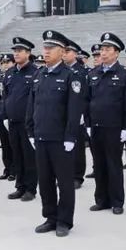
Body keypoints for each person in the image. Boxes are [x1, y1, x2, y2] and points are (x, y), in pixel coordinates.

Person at [26, 31, 86, 237]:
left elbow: (74, 110)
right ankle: (50, 217)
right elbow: (31, 105)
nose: (46, 52)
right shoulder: (39, 74)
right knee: (45, 181)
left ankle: (64, 221)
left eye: (51, 48)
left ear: (62, 52)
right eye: (45, 48)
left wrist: (70, 137)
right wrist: (30, 130)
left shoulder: (71, 76)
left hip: (61, 140)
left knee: (65, 182)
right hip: (41, 136)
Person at [86, 33, 126, 215]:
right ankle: (101, 200)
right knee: (98, 164)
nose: (103, 53)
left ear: (116, 53)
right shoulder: (93, 74)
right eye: (102, 49)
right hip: (96, 127)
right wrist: (88, 123)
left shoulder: (124, 75)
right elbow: (87, 101)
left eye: (107, 49)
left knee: (114, 165)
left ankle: (117, 201)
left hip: (114, 128)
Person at [2, 37, 39, 202]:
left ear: (28, 53)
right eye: (15, 51)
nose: (16, 54)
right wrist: (5, 115)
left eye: (20, 51)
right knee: (17, 155)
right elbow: (5, 96)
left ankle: (30, 188)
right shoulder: (10, 73)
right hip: (12, 121)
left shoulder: (35, 72)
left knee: (29, 156)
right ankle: (20, 186)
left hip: (28, 122)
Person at [61, 40, 88, 189]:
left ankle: (77, 176)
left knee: (77, 147)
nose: (64, 54)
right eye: (63, 51)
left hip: (77, 114)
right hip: (62, 114)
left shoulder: (81, 72)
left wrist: (82, 113)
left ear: (75, 54)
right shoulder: (62, 70)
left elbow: (85, 95)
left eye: (68, 52)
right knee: (64, 146)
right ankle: (65, 174)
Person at [0, 53, 15, 181]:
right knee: (5, 144)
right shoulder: (1, 77)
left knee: (13, 145)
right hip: (2, 114)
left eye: (8, 62)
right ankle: (7, 169)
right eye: (2, 63)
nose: (5, 65)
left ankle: (14, 170)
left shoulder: (15, 76)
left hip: (11, 115)